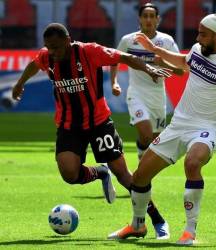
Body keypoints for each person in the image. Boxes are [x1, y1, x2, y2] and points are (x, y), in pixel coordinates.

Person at [108, 13, 216, 245]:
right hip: (178, 125)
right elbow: (183, 62)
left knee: (193, 163)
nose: (197, 37)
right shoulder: (198, 49)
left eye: (202, 34)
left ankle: (189, 232)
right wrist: (154, 48)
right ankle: (138, 225)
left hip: (207, 128)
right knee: (140, 176)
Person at [12, 23, 171, 239]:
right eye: (49, 47)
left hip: (98, 123)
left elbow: (124, 57)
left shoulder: (89, 51)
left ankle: (157, 220)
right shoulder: (47, 56)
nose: (53, 53)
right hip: (69, 125)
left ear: (68, 41)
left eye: (57, 47)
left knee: (124, 175)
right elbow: (34, 63)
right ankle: (99, 172)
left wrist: (149, 68)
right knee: (69, 174)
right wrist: (20, 83)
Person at [110, 2, 184, 161]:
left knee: (154, 139)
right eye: (145, 16)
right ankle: (142, 161)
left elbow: (181, 70)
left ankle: (142, 159)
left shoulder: (166, 41)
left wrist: (163, 63)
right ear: (140, 19)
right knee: (145, 133)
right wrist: (114, 82)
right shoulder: (128, 40)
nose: (148, 19)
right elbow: (114, 60)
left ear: (158, 19)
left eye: (152, 16)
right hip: (136, 93)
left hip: (157, 95)